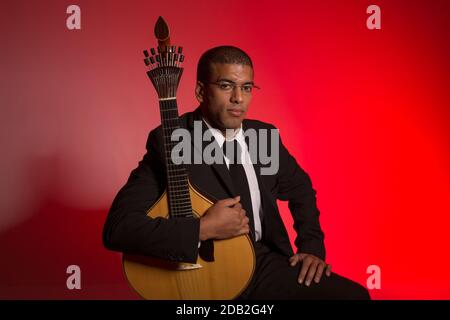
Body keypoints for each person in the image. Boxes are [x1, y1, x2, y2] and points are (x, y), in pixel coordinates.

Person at [103, 45, 370, 300]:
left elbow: (301, 189)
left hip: (261, 265)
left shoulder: (263, 137)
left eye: (246, 88)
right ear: (200, 91)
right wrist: (202, 228)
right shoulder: (171, 139)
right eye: (226, 86)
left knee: (354, 296)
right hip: (206, 270)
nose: (238, 98)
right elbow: (119, 229)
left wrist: (311, 248)